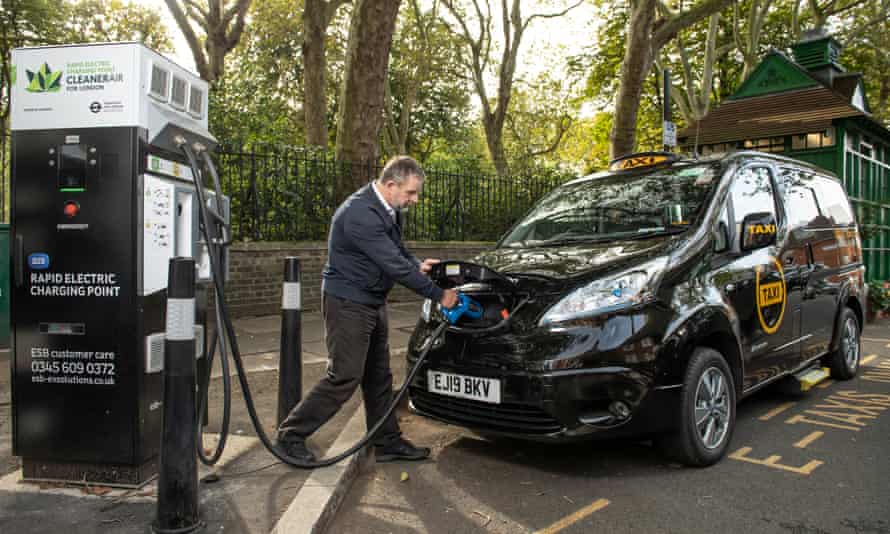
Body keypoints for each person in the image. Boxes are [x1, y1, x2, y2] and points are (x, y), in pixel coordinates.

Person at [276, 155, 459, 463]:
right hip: (348, 303)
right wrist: (438, 294)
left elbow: (396, 251)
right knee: (344, 375)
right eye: (411, 193)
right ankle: (290, 436)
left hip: (372, 300)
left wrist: (418, 264)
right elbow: (392, 264)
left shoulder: (389, 209)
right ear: (390, 184)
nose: (415, 199)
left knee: (378, 376)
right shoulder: (360, 213)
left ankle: (387, 442)